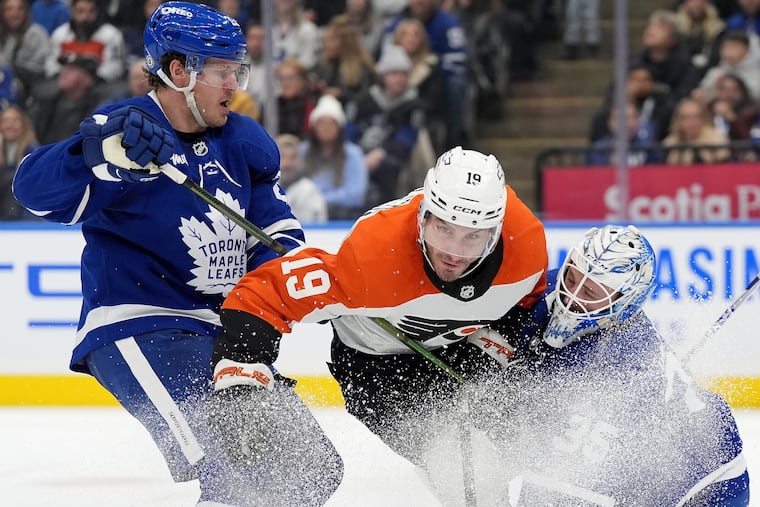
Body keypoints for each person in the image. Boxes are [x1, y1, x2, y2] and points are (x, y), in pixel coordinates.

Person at [12, 2, 343, 505]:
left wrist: (296, 279)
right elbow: (32, 191)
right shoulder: (123, 133)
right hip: (138, 323)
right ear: (177, 71)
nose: (235, 85)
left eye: (237, 70)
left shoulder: (244, 139)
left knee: (311, 469)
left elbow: (273, 233)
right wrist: (92, 154)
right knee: (237, 464)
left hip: (219, 333)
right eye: (222, 71)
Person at [208, 146, 548, 494]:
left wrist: (487, 350)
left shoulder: (526, 244)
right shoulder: (376, 255)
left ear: (495, 233)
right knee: (469, 473)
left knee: (535, 449)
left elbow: (527, 306)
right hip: (375, 368)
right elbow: (265, 292)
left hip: (459, 352)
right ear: (423, 217)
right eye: (443, 230)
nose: (453, 254)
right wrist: (241, 380)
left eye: (473, 238)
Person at [452, 225, 750, 505]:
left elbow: (559, 490)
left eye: (591, 293)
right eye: (572, 277)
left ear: (625, 304)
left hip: (711, 482)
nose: (571, 296)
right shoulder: (547, 288)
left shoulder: (625, 367)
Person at [299, 94, 368, 220]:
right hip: (305, 214)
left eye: (331, 123)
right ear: (314, 127)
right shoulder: (302, 151)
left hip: (342, 216)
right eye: (321, 123)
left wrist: (319, 200)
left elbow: (356, 194)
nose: (326, 128)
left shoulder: (353, 153)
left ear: (339, 127)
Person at [276, 133, 328, 224]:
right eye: (283, 157)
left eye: (293, 157)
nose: (287, 164)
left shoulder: (308, 189)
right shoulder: (267, 188)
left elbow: (317, 227)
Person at [0, 104, 37, 220]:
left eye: (15, 120)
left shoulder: (33, 152)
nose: (10, 125)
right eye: (5, 121)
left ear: (24, 125)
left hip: (24, 213)